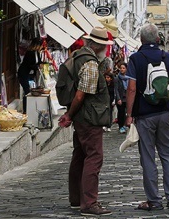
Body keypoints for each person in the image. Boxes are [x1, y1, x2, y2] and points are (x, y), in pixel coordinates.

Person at [125, 24, 169, 211]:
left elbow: (132, 88)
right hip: (164, 113)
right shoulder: (167, 57)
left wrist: (129, 115)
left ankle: (154, 200)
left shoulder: (135, 59)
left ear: (141, 40)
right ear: (158, 39)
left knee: (148, 158)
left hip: (144, 115)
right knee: (167, 154)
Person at [58, 27, 114, 216]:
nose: (105, 50)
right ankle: (89, 203)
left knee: (80, 156)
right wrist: (70, 115)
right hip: (89, 117)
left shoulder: (76, 57)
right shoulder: (89, 64)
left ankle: (76, 199)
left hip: (82, 118)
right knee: (94, 157)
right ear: (96, 45)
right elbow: (81, 95)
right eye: (104, 46)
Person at [17, 39, 42, 110]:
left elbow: (38, 62)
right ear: (36, 46)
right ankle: (26, 109)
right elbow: (29, 64)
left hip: (31, 74)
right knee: (27, 91)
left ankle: (30, 107)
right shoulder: (29, 53)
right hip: (24, 73)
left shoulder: (37, 53)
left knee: (32, 90)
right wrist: (37, 66)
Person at [114, 63, 129, 133]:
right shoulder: (117, 78)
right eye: (121, 68)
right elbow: (116, 89)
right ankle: (121, 126)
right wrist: (118, 98)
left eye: (123, 68)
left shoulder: (129, 77)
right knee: (121, 113)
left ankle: (125, 125)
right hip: (121, 97)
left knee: (127, 112)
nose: (122, 69)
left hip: (127, 97)